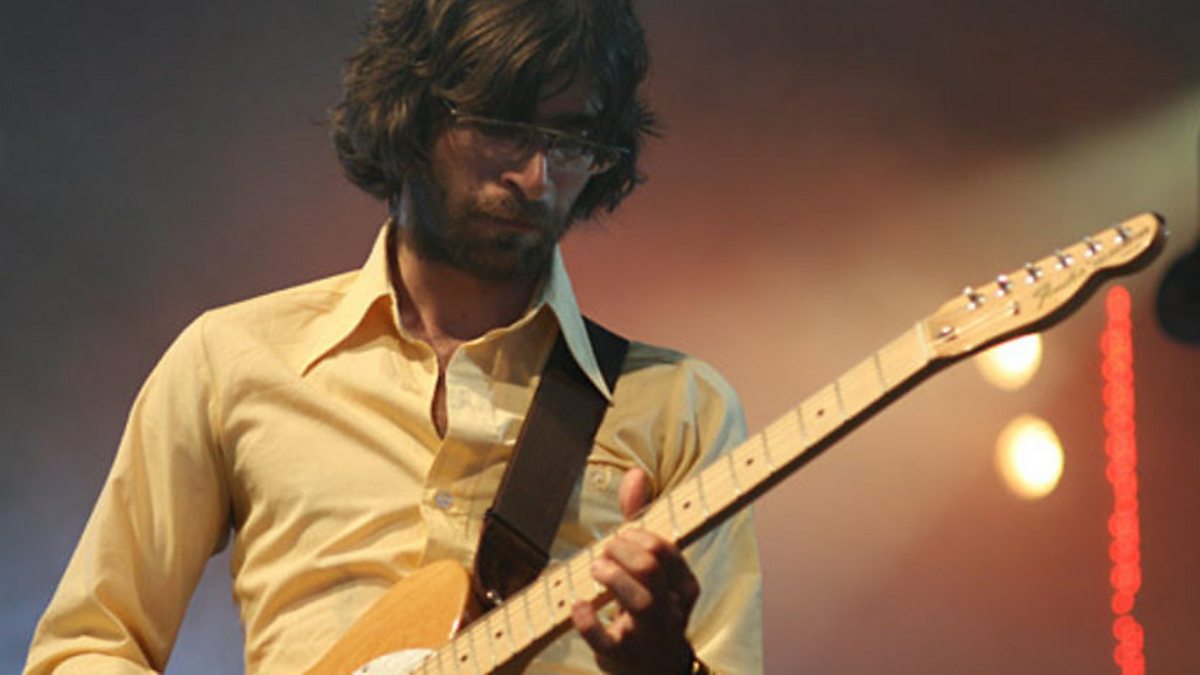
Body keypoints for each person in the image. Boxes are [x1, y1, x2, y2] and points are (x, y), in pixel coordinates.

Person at [25, 1, 762, 672]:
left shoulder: (680, 408)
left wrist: (668, 671)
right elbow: (85, 648)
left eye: (573, 140)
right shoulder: (230, 361)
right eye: (503, 126)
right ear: (410, 114)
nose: (538, 178)